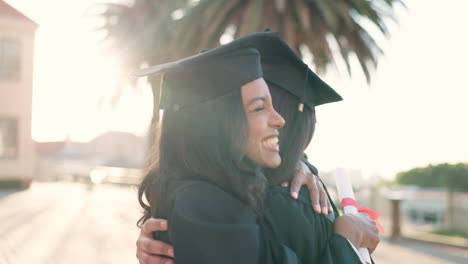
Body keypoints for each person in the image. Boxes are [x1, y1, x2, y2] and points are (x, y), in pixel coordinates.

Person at [135, 31, 379, 264]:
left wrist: (297, 162)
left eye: (272, 105)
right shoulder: (211, 204)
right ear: (222, 122)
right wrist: (347, 242)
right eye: (259, 107)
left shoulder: (232, 194)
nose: (279, 121)